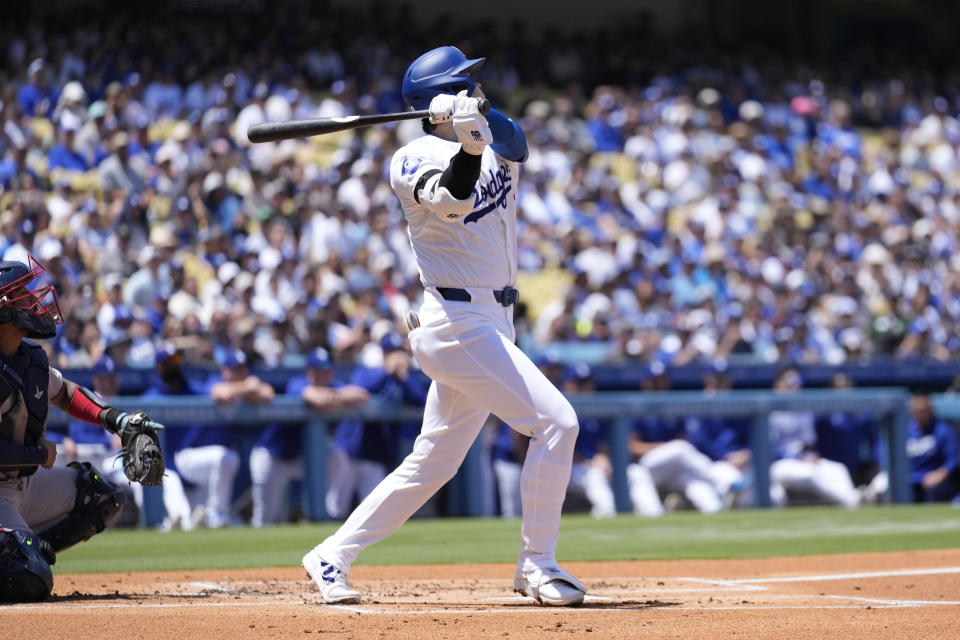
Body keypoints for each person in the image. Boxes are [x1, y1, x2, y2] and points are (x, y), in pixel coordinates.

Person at [301, 46, 587, 607]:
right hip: (454, 320)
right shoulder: (411, 156)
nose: (477, 90)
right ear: (437, 97)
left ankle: (332, 555)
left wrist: (473, 123)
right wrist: (465, 140)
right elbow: (454, 199)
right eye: (466, 83)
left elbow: (517, 141)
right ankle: (538, 564)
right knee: (558, 424)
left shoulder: (485, 134)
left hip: (494, 320)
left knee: (434, 460)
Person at [0, 256, 163, 601]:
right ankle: (20, 557)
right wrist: (38, 454)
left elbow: (67, 394)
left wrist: (118, 421)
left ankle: (30, 550)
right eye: (23, 295)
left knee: (100, 497)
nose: (35, 301)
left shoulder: (28, 357)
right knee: (26, 579)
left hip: (22, 483)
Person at [62, 354, 192, 530]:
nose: (111, 381)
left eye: (113, 376)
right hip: (102, 461)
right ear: (96, 379)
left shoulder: (124, 402)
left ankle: (183, 521)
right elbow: (77, 436)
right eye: (105, 378)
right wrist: (109, 443)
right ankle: (155, 523)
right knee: (141, 477)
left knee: (171, 478)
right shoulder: (88, 402)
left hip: (124, 460)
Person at [249, 347, 368, 527]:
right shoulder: (297, 383)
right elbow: (316, 399)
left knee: (337, 457)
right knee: (265, 517)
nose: (320, 374)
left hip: (300, 458)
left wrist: (333, 396)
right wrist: (337, 400)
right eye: (316, 369)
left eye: (324, 369)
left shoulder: (333, 386)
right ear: (308, 371)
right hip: (273, 456)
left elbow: (361, 395)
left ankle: (329, 513)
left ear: (331, 371)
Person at [325, 333, 428, 519]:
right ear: (383, 354)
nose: (397, 357)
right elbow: (362, 386)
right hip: (348, 451)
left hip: (375, 456)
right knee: (335, 508)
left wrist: (402, 377)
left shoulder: (405, 380)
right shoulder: (367, 372)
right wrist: (388, 371)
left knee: (374, 512)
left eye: (400, 352)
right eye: (391, 352)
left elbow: (420, 400)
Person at [173, 349, 271, 528]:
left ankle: (213, 515)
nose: (240, 374)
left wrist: (249, 388)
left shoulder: (244, 392)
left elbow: (268, 394)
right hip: (189, 458)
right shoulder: (215, 381)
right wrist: (248, 386)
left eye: (243, 369)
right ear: (225, 370)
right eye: (235, 369)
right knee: (227, 457)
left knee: (191, 523)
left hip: (212, 466)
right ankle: (217, 514)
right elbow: (222, 393)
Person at [626, 361, 727, 515]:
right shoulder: (637, 407)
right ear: (645, 383)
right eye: (654, 381)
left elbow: (684, 437)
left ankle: (715, 510)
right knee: (679, 448)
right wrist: (665, 447)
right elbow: (632, 447)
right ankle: (721, 480)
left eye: (662, 380)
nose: (659, 385)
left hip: (673, 466)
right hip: (647, 466)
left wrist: (668, 447)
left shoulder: (672, 405)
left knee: (693, 481)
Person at [768, 366, 861, 509]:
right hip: (778, 463)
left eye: (797, 380)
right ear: (777, 384)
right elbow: (767, 448)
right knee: (809, 474)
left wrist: (809, 455)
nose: (794, 383)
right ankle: (849, 500)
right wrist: (797, 456)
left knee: (838, 468)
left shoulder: (804, 410)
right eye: (789, 379)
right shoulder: (768, 410)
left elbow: (809, 443)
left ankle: (854, 498)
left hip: (802, 461)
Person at [562, 364, 616, 518]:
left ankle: (654, 516)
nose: (584, 388)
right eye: (579, 384)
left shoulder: (597, 411)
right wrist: (588, 462)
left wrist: (604, 457)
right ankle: (607, 514)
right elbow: (558, 448)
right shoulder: (560, 409)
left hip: (594, 465)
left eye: (586, 383)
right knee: (595, 476)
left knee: (636, 474)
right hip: (568, 468)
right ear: (568, 385)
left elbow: (604, 444)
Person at [905, 393, 958, 503]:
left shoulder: (943, 431)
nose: (920, 415)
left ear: (931, 410)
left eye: (923, 411)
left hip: (934, 478)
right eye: (916, 411)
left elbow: (953, 460)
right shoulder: (905, 431)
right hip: (910, 479)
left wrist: (940, 474)